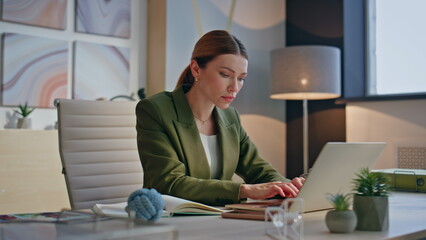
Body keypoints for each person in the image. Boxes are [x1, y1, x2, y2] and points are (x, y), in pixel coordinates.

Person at [136, 30, 304, 206]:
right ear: (196, 69)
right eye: (225, 75)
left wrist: (286, 187)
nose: (235, 87)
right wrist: (243, 190)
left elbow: (259, 169)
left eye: (241, 78)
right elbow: (169, 183)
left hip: (219, 219)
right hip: (172, 220)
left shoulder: (230, 117)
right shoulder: (155, 110)